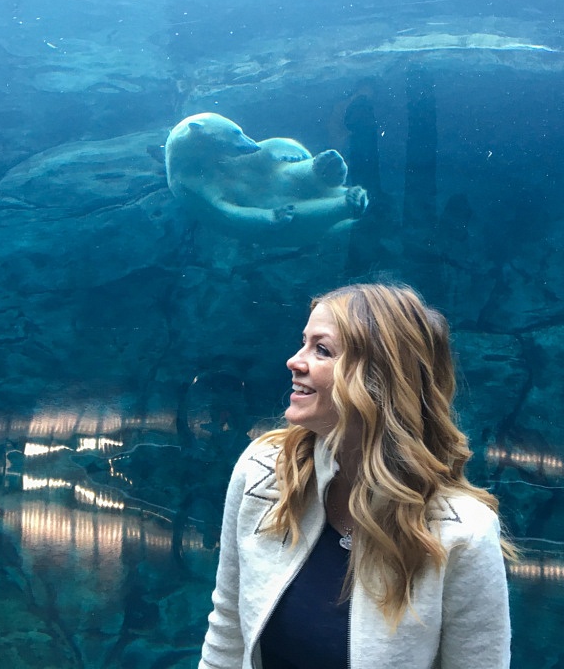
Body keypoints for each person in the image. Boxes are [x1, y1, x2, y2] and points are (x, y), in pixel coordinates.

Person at [199, 282, 514, 669]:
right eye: (303, 343)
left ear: (378, 377)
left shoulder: (462, 531)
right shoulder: (263, 471)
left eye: (322, 349)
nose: (294, 361)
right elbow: (227, 629)